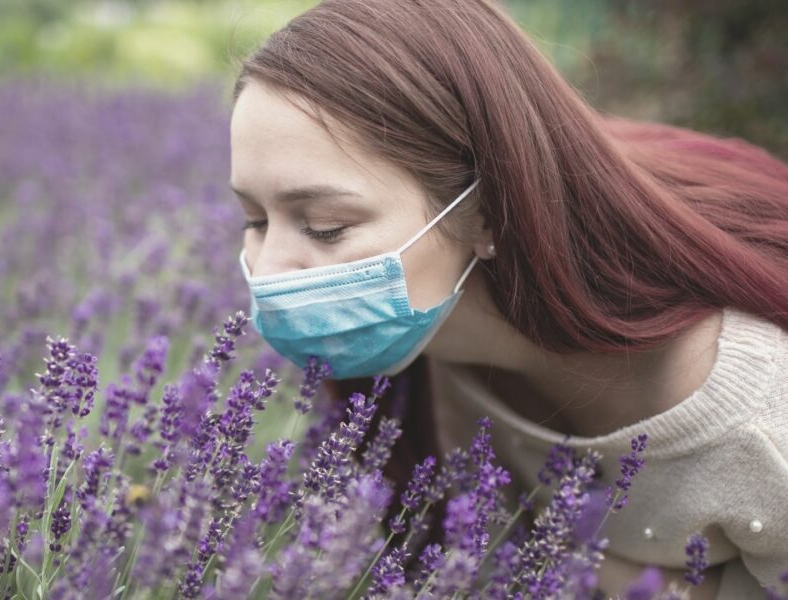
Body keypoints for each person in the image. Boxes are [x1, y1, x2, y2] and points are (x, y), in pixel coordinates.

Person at [228, 0, 788, 598]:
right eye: (255, 219)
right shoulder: (423, 337)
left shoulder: (761, 426)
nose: (268, 270)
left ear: (492, 208)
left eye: (325, 226)